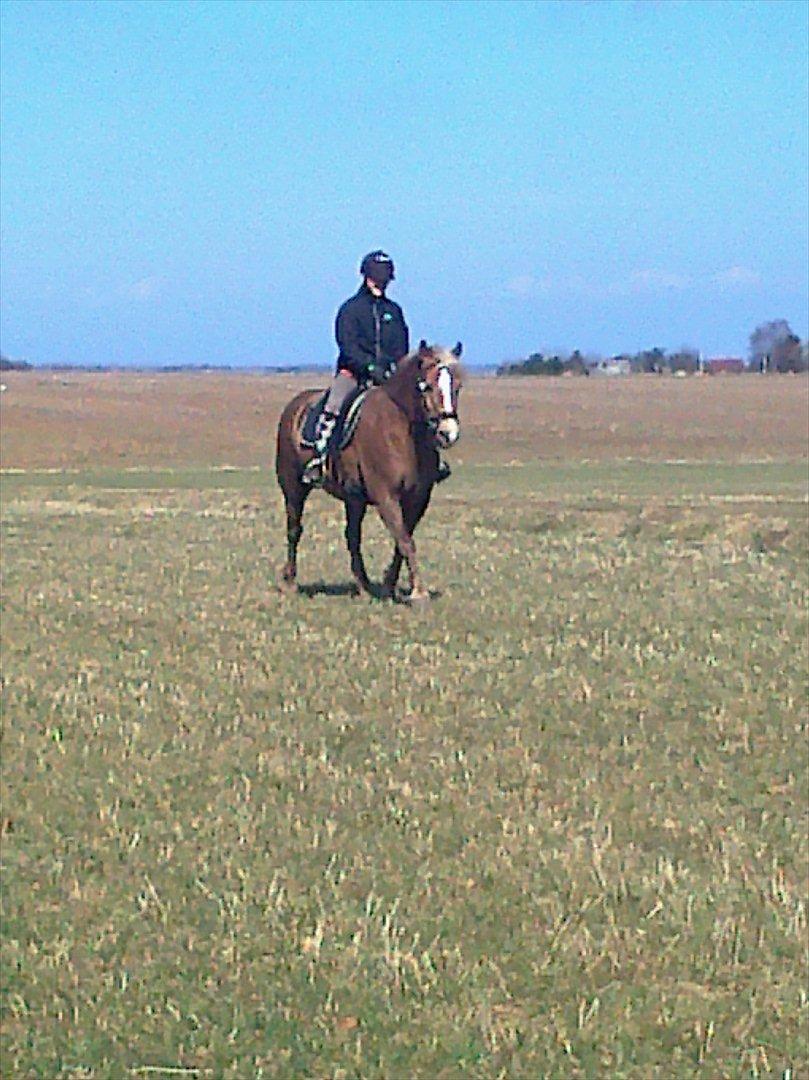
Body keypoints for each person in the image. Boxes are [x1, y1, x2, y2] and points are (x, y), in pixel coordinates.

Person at [302, 250, 409, 486]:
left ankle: (429, 461)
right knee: (334, 406)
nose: (383, 282)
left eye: (386, 277)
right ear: (367, 276)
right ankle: (319, 459)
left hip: (389, 379)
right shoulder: (350, 309)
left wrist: (395, 369)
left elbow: (402, 346)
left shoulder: (394, 311)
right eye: (379, 276)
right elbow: (347, 346)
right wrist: (370, 367)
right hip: (354, 374)